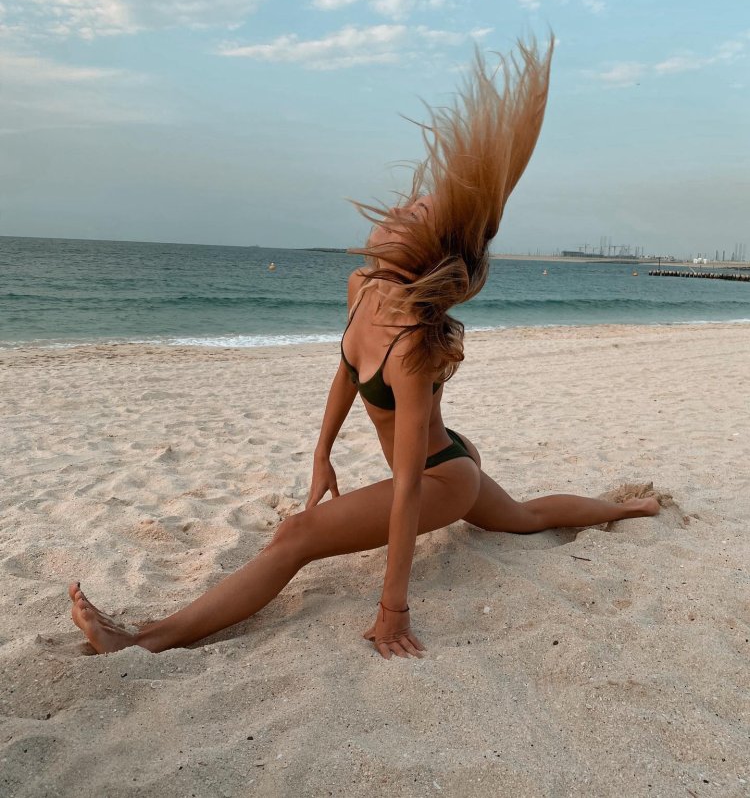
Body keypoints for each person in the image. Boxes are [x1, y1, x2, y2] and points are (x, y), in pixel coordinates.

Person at [69, 39, 659, 660]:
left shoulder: (411, 349)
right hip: (450, 457)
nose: (399, 208)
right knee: (523, 518)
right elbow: (346, 369)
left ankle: (140, 640)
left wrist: (393, 610)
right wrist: (322, 454)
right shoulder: (363, 287)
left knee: (294, 536)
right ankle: (637, 507)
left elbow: (405, 488)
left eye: (413, 213)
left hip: (439, 476)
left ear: (420, 249)